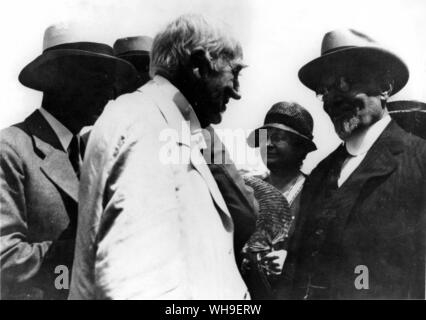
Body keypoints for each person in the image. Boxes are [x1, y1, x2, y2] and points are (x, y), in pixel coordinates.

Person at [69, 14, 249, 299]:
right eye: (234, 73)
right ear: (200, 65)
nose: (237, 92)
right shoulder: (145, 122)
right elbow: (134, 286)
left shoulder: (165, 121)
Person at [0, 22, 137, 300]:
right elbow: (5, 259)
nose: (110, 93)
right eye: (98, 77)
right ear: (59, 79)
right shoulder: (10, 149)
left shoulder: (87, 152)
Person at [288, 29, 426, 299]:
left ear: (385, 87)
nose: (332, 99)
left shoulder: (420, 161)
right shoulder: (320, 174)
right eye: (324, 90)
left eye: (345, 83)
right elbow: (294, 273)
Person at [243, 101, 317, 299]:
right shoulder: (248, 190)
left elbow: (329, 253)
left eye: (278, 138)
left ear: (300, 148)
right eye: (265, 138)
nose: (268, 144)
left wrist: (292, 263)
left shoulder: (316, 194)